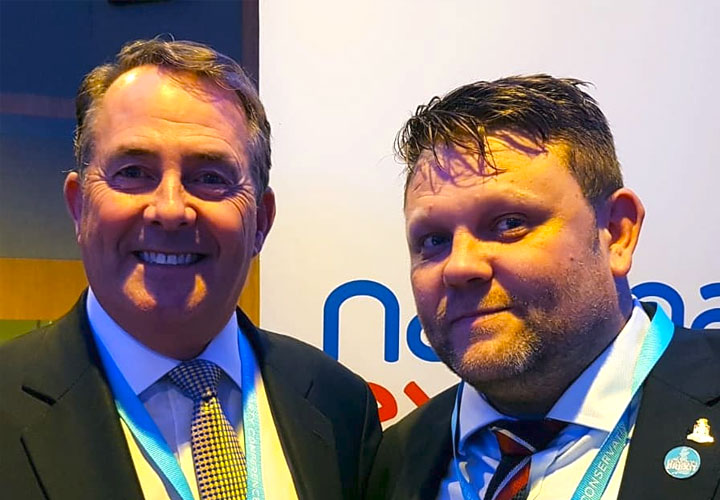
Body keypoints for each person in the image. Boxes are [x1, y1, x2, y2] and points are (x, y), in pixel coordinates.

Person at [0, 38, 380, 500]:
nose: (170, 209)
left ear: (261, 221)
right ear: (79, 206)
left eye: (210, 178)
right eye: (133, 172)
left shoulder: (340, 405)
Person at [367, 75, 720, 500]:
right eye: (434, 240)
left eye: (509, 223)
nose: (460, 266)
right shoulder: (390, 460)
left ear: (616, 233)